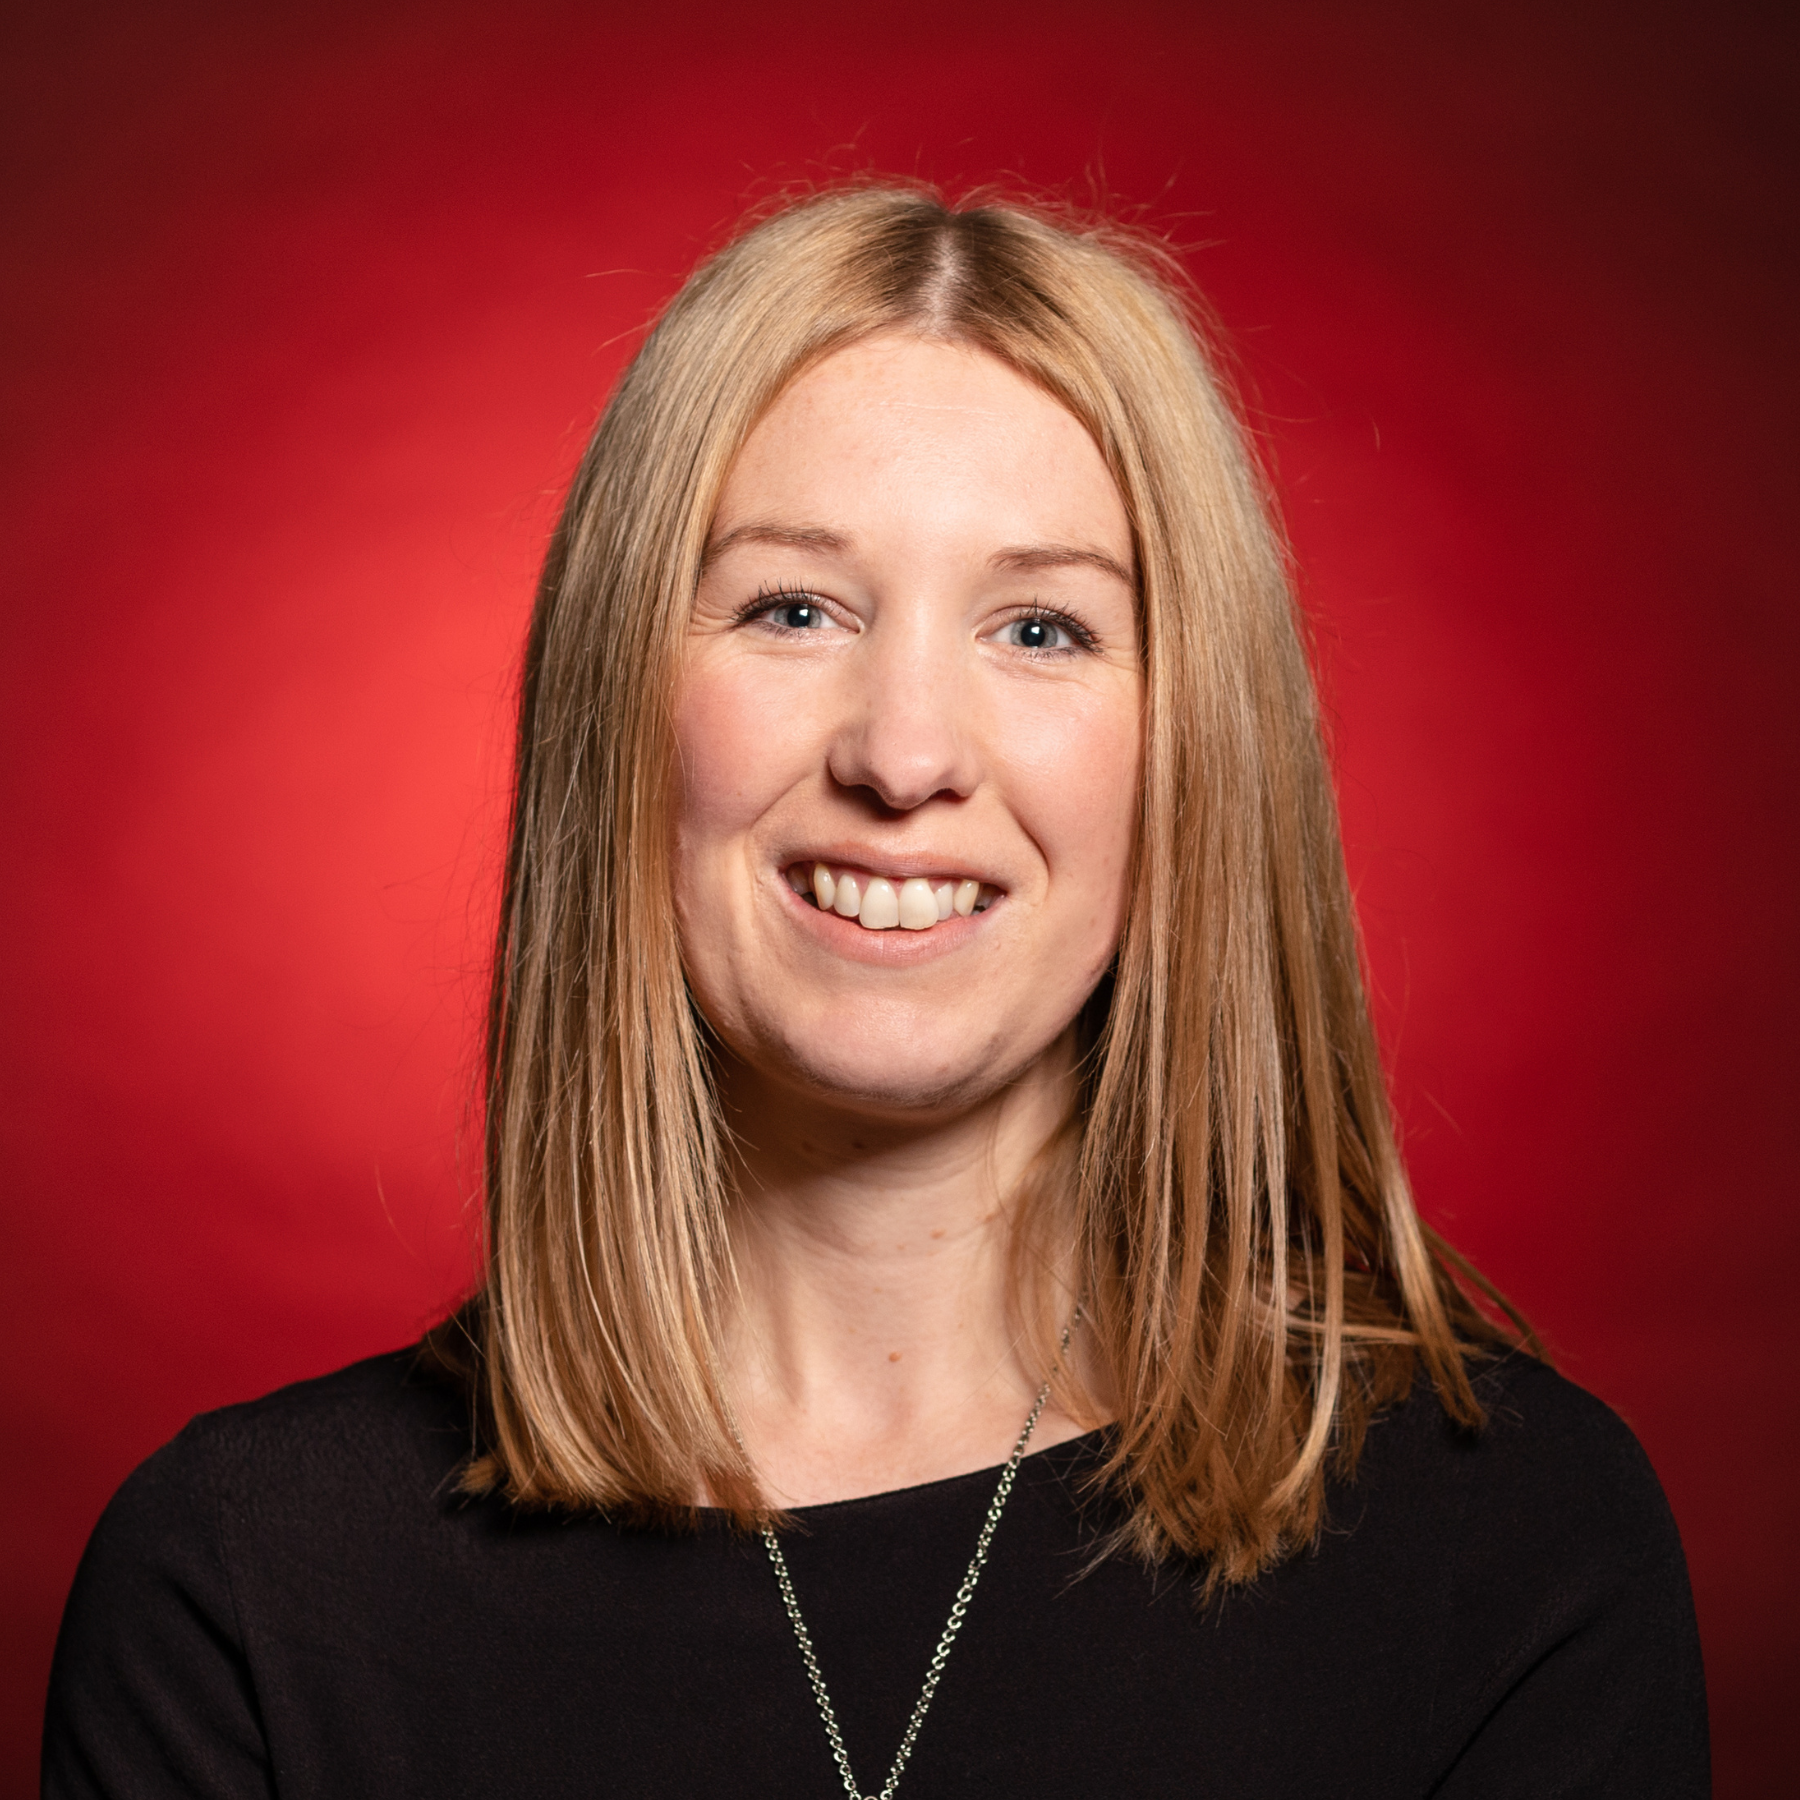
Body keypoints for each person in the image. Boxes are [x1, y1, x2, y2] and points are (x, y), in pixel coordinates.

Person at [43, 184, 1709, 1798]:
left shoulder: (1515, 1556)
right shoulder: (245, 1589)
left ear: (1196, 753)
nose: (904, 756)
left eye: (1042, 629)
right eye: (793, 607)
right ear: (620, 709)